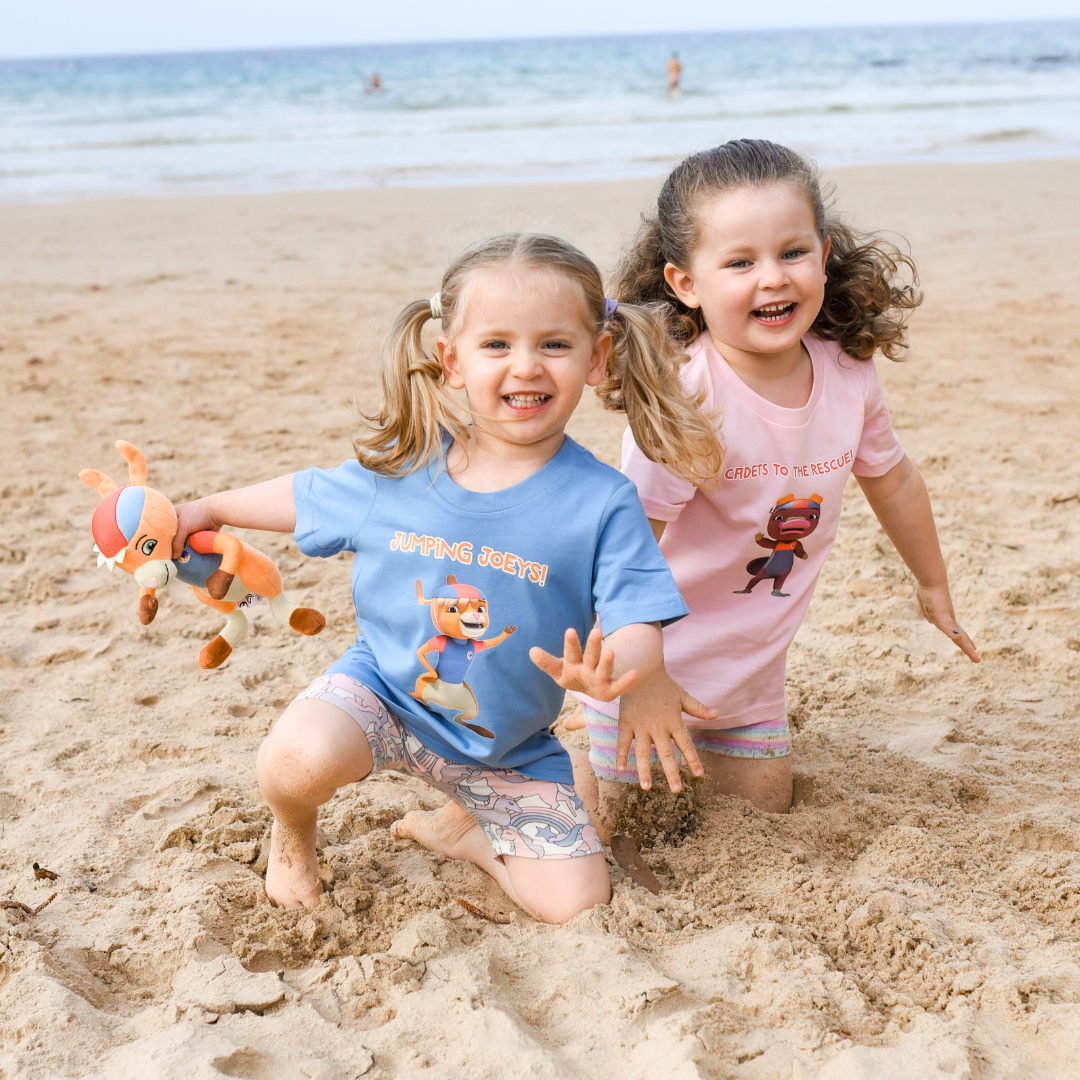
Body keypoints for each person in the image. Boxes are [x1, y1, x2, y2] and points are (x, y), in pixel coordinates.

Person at [170, 233, 723, 924]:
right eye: (497, 345)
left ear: (597, 357)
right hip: (385, 697)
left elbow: (638, 613)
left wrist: (624, 674)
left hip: (507, 748)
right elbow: (304, 497)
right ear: (451, 361)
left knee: (578, 906)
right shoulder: (409, 466)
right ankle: (294, 839)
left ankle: (467, 832)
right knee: (294, 762)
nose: (527, 366)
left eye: (555, 344)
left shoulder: (603, 500)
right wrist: (210, 509)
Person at [566, 139, 980, 834]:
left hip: (751, 683)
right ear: (686, 283)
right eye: (739, 262)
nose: (773, 279)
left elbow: (894, 477)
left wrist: (932, 583)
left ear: (823, 251)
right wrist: (638, 682)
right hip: (646, 671)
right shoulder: (687, 394)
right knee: (611, 831)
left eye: (792, 252)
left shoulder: (847, 370)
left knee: (764, 815)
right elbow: (626, 542)